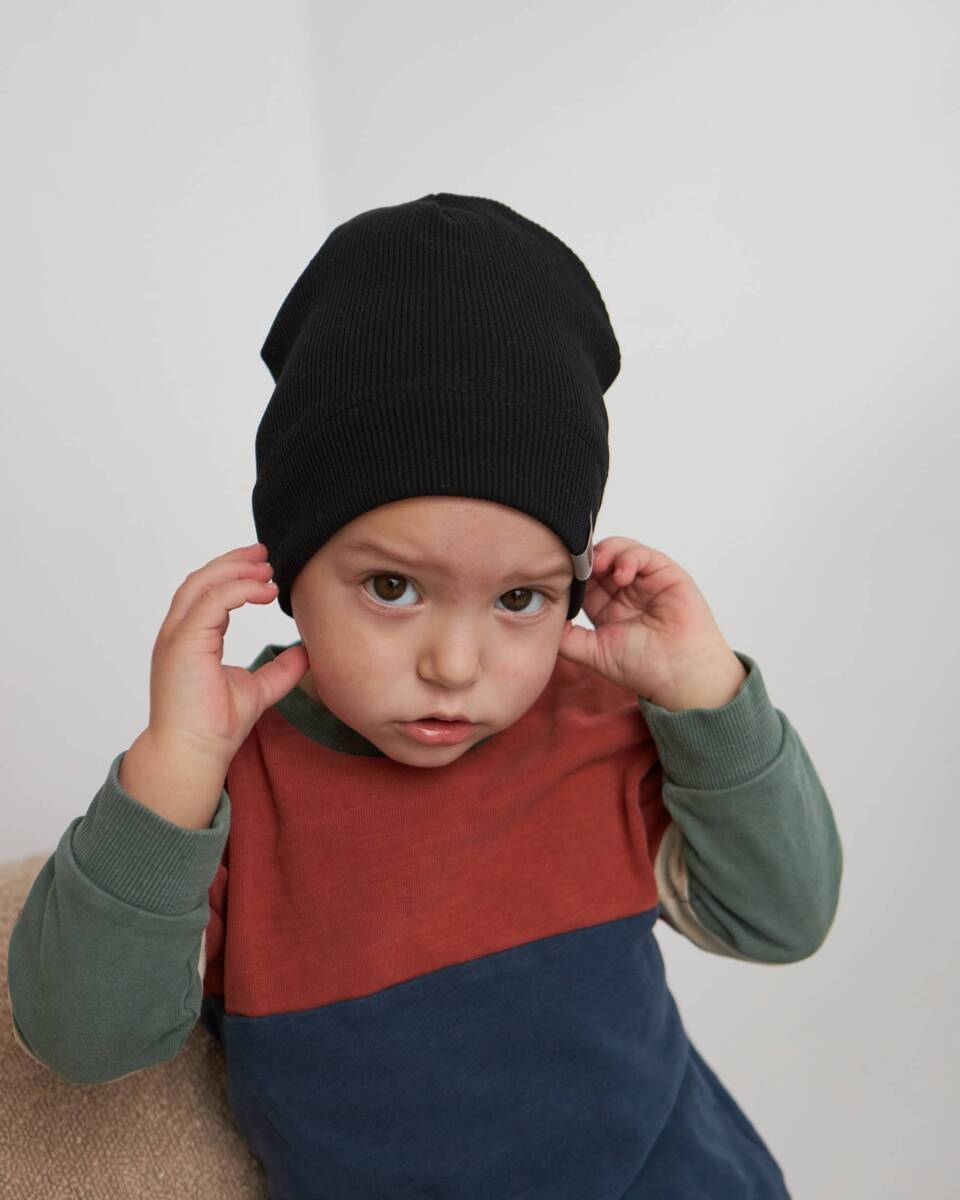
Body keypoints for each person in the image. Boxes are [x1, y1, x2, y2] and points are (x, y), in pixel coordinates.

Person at [7, 193, 843, 1198]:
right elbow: (85, 1042)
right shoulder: (225, 793)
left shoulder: (601, 723)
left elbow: (782, 919)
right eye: (392, 587)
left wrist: (709, 697)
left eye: (520, 599)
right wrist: (173, 764)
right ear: (288, 570)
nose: (455, 664)